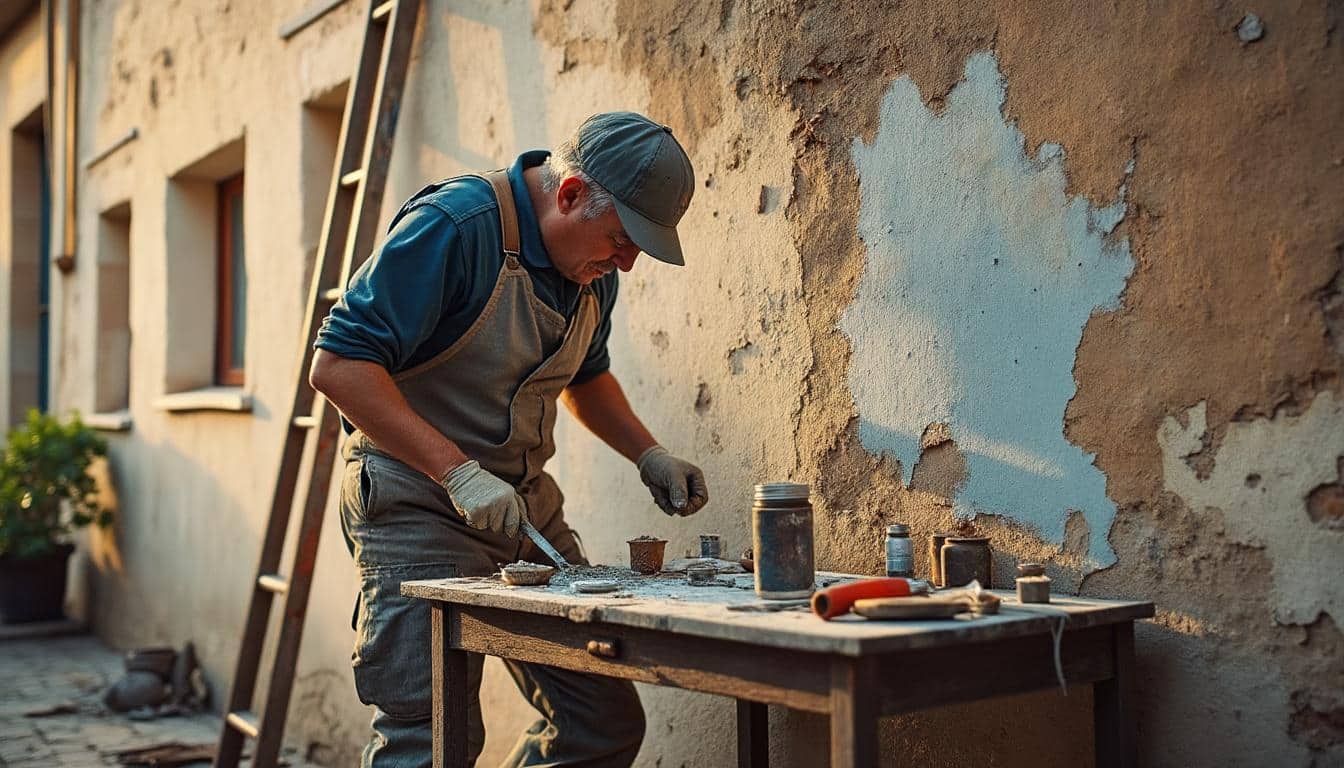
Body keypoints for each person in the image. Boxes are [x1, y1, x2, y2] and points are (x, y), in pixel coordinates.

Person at [309, 111, 710, 767]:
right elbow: (339, 365)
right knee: (429, 739)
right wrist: (457, 473)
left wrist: (649, 452)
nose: (627, 264)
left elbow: (587, 376)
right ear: (572, 193)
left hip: (522, 508)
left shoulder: (592, 272)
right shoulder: (456, 228)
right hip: (414, 501)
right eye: (621, 238)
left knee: (600, 721)